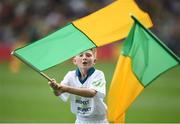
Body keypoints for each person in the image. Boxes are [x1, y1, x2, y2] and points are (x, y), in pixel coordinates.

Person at [48, 48, 108, 124]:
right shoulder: (70, 75)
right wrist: (54, 88)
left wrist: (66, 88)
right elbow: (59, 92)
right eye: (81, 55)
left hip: (98, 121)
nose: (84, 58)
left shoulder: (98, 74)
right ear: (74, 61)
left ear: (94, 61)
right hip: (80, 120)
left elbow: (91, 93)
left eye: (88, 55)